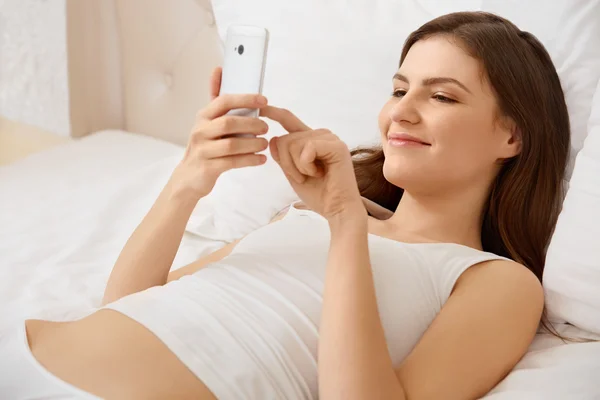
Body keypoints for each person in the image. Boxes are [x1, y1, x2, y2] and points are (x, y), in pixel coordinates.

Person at [0, 11, 570, 400]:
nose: (402, 110)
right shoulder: (299, 215)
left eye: (441, 95)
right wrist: (189, 181)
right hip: (30, 355)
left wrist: (347, 221)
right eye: (399, 89)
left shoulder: (497, 281)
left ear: (512, 138)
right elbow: (129, 309)